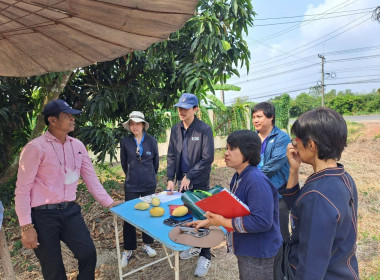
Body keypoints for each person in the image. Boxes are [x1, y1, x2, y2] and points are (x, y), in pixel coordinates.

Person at [14, 99, 123, 280]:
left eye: (72, 116)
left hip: (70, 211)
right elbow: (22, 189)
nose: (72, 119)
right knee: (53, 268)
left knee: (88, 253)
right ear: (52, 121)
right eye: (67, 116)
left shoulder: (77, 146)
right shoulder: (35, 148)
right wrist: (26, 226)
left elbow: (91, 178)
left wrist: (109, 202)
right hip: (43, 216)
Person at [189, 130, 282, 280]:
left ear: (248, 152)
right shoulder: (239, 175)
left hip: (258, 251)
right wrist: (209, 221)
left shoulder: (256, 181)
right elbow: (234, 209)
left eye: (232, 149)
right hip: (247, 246)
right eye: (226, 148)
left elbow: (262, 221)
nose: (226, 153)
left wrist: (223, 222)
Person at [279, 107, 359, 279]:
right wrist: (294, 170)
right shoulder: (342, 177)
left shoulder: (317, 194)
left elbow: (311, 267)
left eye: (296, 141)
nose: (293, 146)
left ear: (312, 145)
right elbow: (297, 209)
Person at [166, 93, 214, 277]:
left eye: (186, 108)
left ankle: (205, 255)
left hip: (199, 181)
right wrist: (171, 178)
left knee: (203, 216)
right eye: (179, 107)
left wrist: (190, 176)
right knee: (188, 216)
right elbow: (171, 155)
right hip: (181, 183)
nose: (181, 111)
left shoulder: (204, 129)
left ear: (195, 109)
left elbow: (207, 158)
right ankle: (194, 246)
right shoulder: (175, 129)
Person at [119, 111, 159, 268]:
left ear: (143, 125)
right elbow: (124, 163)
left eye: (137, 123)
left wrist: (148, 176)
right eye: (132, 124)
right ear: (129, 126)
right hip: (131, 185)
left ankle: (147, 243)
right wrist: (132, 175)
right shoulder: (125, 142)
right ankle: (128, 249)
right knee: (129, 215)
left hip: (148, 183)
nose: (135, 127)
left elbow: (155, 163)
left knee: (149, 213)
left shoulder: (152, 141)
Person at [252, 102, 291, 240]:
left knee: (281, 234)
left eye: (259, 116)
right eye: (253, 117)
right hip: (258, 192)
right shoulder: (252, 138)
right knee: (262, 230)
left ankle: (284, 261)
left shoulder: (281, 137)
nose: (255, 120)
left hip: (277, 193)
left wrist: (251, 178)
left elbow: (275, 164)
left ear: (271, 117)